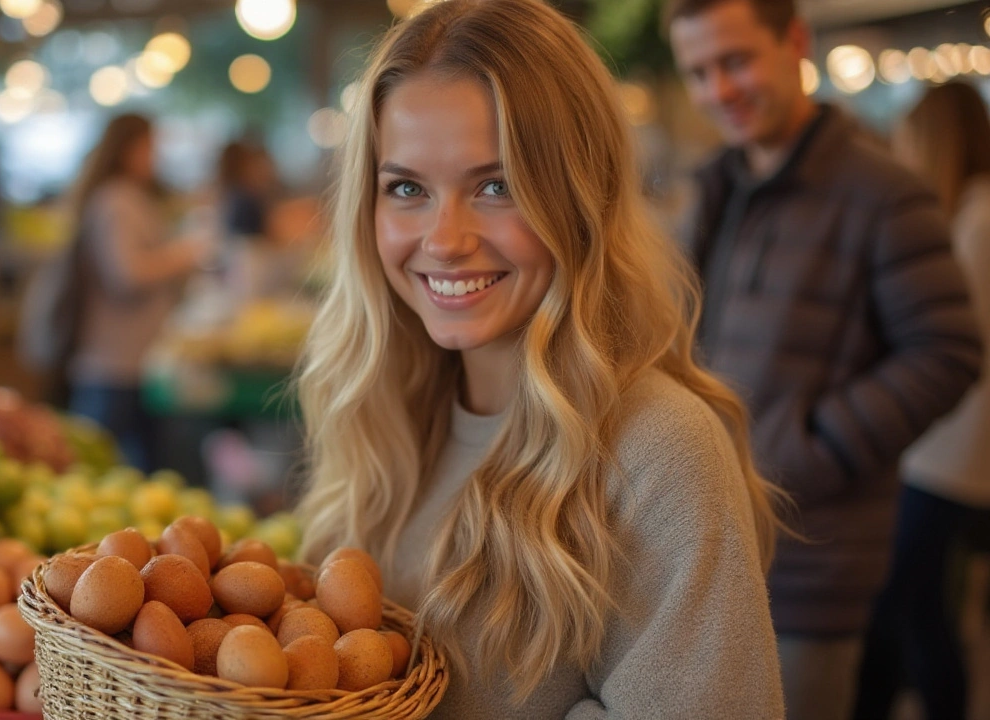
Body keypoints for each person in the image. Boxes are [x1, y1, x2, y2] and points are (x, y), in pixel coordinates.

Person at [295, 0, 785, 716]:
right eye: (407, 188)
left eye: (496, 186)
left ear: (581, 198)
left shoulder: (658, 451)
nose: (444, 239)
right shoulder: (387, 414)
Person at [664, 1, 983, 718]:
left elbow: (949, 349)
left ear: (795, 44)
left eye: (735, 60)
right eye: (699, 72)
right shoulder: (718, 186)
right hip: (707, 542)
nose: (720, 90)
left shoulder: (884, 191)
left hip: (815, 556)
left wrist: (808, 448)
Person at [853, 80, 990, 720]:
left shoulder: (978, 219)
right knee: (913, 605)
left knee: (914, 608)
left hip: (950, 453)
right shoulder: (968, 212)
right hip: (948, 448)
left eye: (912, 142)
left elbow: (951, 345)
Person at [62, 114, 213, 471]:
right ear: (127, 148)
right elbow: (126, 274)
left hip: (132, 360)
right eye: (149, 146)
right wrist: (183, 254)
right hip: (114, 363)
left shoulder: (129, 197)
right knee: (97, 469)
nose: (154, 155)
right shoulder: (116, 200)